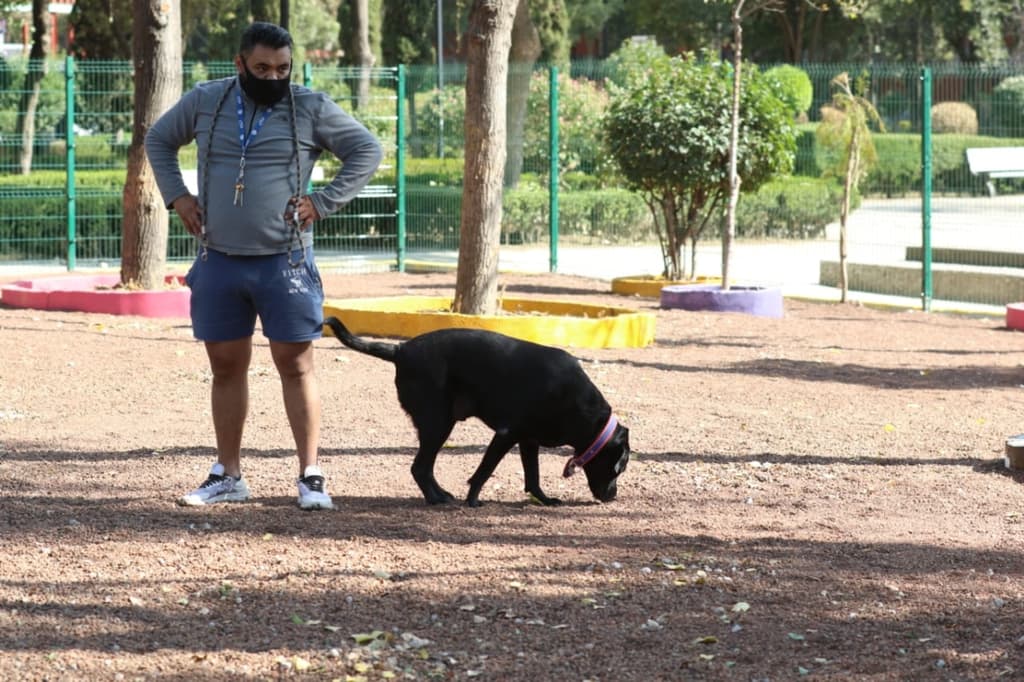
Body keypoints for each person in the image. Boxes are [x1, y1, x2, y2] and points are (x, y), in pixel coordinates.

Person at [145, 22, 383, 510]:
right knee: (226, 368)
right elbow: (159, 140)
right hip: (220, 262)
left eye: (282, 69)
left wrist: (325, 200)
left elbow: (367, 150)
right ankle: (228, 475)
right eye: (261, 68)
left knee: (295, 366)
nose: (272, 77)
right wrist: (178, 197)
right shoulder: (206, 100)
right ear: (240, 64)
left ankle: (310, 476)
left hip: (286, 263)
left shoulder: (310, 106)